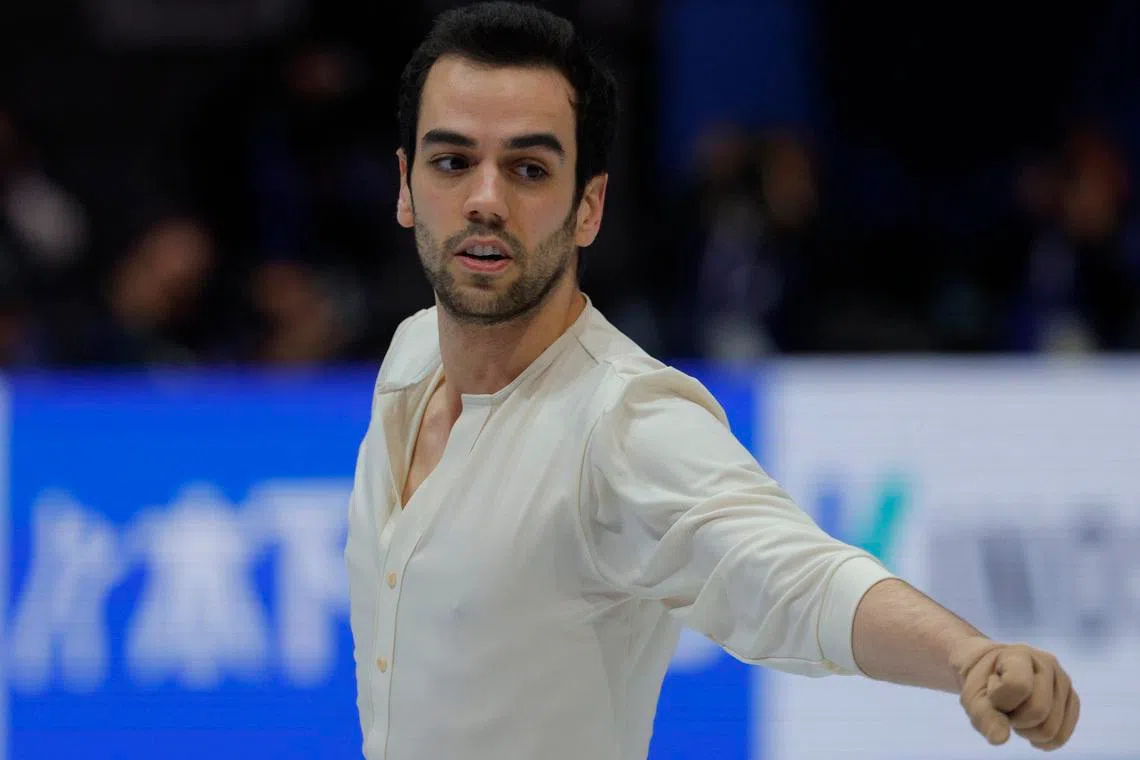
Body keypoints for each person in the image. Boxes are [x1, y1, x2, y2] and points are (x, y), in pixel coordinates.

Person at [343, 4, 1080, 759]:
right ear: (405, 186)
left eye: (529, 169)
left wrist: (965, 656)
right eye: (452, 162)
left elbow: (794, 573)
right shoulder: (412, 355)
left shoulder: (621, 422)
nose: (485, 200)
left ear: (588, 204)